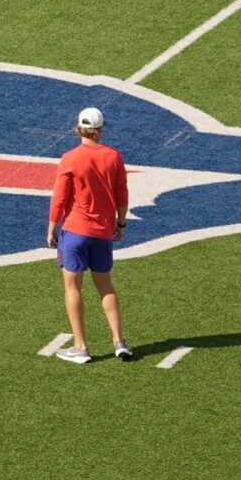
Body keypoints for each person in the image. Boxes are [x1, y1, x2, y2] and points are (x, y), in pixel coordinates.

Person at [46, 106, 135, 364]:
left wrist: (51, 228)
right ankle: (120, 341)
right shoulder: (114, 157)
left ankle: (81, 347)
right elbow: (122, 194)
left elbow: (60, 198)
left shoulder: (70, 158)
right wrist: (120, 224)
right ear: (101, 129)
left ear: (78, 129)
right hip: (103, 233)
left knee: (73, 287)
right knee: (106, 286)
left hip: (75, 231)